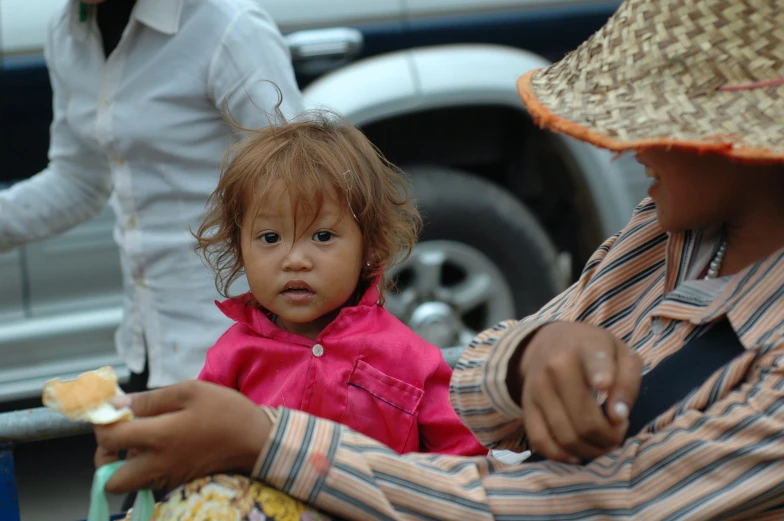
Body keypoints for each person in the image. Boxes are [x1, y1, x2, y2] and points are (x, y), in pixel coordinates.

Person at [94, 0, 784, 519]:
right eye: (271, 238)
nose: (627, 148)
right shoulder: (663, 237)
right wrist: (532, 354)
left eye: (663, 122)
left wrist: (265, 441)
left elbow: (577, 502)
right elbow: (477, 383)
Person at [0, 0, 303, 391]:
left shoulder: (228, 25)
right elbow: (79, 179)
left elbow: (302, 183)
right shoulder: (67, 32)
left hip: (241, 347)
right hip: (149, 343)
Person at [193, 112, 485, 456]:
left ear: (370, 245)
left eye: (322, 235)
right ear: (239, 248)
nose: (294, 260)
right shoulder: (231, 358)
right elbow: (197, 446)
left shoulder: (408, 358)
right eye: (270, 237)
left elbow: (465, 458)